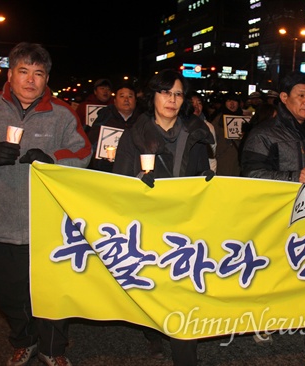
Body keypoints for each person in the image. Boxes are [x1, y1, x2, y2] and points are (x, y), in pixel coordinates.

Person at [0, 42, 92, 366]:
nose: (31, 80)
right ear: (10, 74)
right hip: (0, 221)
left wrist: (53, 159)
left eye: (39, 73)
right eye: (24, 71)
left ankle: (53, 347)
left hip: (47, 223)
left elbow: (83, 153)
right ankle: (24, 340)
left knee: (53, 292)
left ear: (47, 78)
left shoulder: (62, 113)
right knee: (10, 294)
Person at [241, 71, 305, 366]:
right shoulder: (264, 133)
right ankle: (262, 319)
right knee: (272, 274)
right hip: (275, 218)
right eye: (300, 95)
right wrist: (291, 177)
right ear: (284, 98)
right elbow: (249, 175)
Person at [112, 69, 214, 366]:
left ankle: (185, 354)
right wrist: (137, 182)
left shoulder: (195, 133)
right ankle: (153, 333)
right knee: (152, 287)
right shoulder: (134, 136)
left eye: (178, 94)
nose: (172, 99)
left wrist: (205, 180)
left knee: (182, 290)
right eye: (165, 92)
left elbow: (200, 177)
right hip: (149, 226)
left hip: (184, 226)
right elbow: (119, 184)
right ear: (152, 96)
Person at [87, 82, 142, 172]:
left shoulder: (142, 122)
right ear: (115, 101)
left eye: (130, 96)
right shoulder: (104, 118)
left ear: (135, 101)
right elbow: (92, 146)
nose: (126, 99)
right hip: (106, 171)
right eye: (122, 96)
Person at [211, 92, 244, 176]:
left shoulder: (245, 119)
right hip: (222, 158)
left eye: (235, 101)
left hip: (239, 159)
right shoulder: (218, 119)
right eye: (229, 100)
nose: (232, 103)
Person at [188, 90, 217, 172]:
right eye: (192, 103)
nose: (196, 106)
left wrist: (212, 172)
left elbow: (212, 155)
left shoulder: (208, 127)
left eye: (199, 103)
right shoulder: (178, 125)